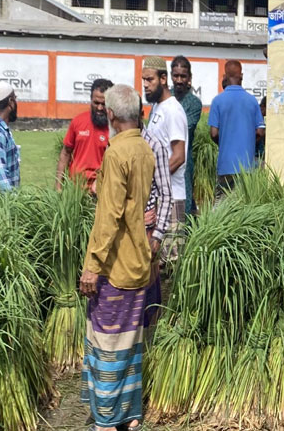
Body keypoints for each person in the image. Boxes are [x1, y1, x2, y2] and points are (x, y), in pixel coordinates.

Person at [78, 84, 155, 431]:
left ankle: (107, 419)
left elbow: (109, 216)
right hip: (139, 260)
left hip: (116, 265)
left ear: (110, 114)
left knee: (108, 339)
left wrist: (92, 266)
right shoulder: (145, 149)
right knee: (130, 340)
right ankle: (130, 412)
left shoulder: (116, 153)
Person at [141, 56, 188, 264]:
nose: (145, 85)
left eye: (149, 80)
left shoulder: (173, 110)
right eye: (143, 80)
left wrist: (152, 179)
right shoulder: (157, 109)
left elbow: (178, 156)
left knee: (170, 262)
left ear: (162, 79)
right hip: (158, 198)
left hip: (172, 198)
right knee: (155, 261)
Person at [208, 59, 264, 192]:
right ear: (242, 76)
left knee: (222, 207)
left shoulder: (217, 101)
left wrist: (225, 143)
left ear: (225, 77)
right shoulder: (252, 101)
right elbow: (260, 132)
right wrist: (249, 143)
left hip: (225, 166)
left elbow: (214, 133)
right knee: (245, 207)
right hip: (247, 167)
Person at [139, 112, 172, 336]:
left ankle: (149, 340)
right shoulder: (116, 142)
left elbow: (166, 194)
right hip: (125, 230)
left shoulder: (153, 145)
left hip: (147, 229)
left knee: (148, 287)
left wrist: (158, 234)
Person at [55, 79, 113, 194]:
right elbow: (66, 153)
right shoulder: (78, 121)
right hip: (74, 190)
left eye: (104, 104)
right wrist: (58, 186)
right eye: (96, 103)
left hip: (101, 192)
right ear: (90, 100)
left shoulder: (116, 128)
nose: (100, 108)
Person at [170, 56, 202, 214]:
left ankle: (184, 237)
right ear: (171, 76)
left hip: (183, 163)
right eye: (176, 75)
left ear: (189, 77)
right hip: (162, 160)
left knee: (183, 205)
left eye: (183, 76)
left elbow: (184, 128)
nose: (179, 80)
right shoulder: (164, 97)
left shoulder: (194, 103)